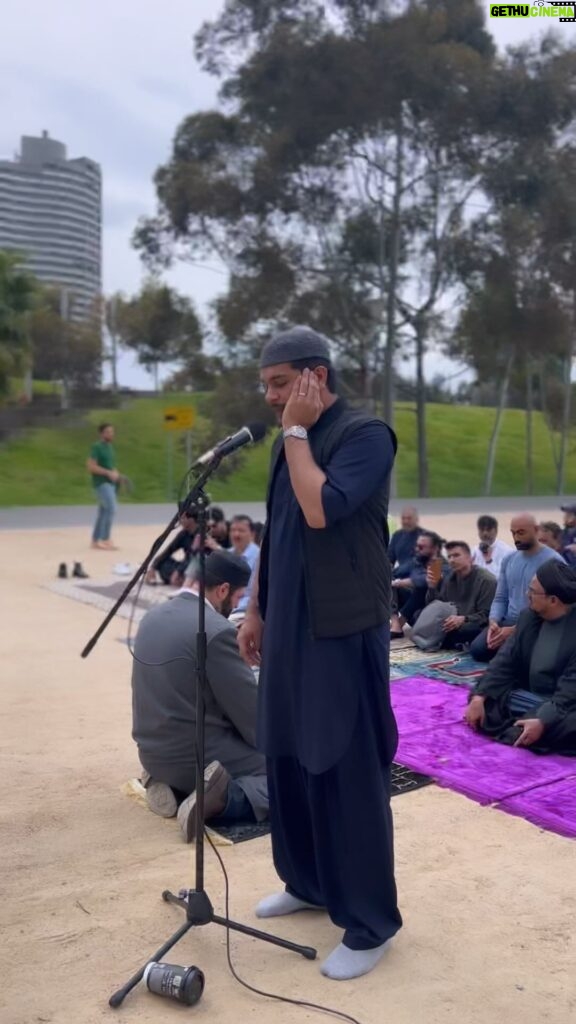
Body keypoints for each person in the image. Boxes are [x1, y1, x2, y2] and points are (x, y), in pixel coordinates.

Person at [238, 325, 402, 982]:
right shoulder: (290, 442)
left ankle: (370, 922)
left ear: (316, 377)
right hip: (288, 628)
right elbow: (277, 532)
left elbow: (319, 510)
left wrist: (299, 434)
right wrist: (255, 608)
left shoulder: (365, 436)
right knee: (287, 757)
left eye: (280, 384)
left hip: (342, 629)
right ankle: (305, 882)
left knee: (345, 767)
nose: (273, 399)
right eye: (268, 386)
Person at [131, 550, 269, 842]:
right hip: (195, 758)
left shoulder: (151, 617)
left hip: (152, 753)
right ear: (222, 590)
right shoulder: (217, 631)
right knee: (294, 774)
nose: (235, 606)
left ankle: (167, 784)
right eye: (237, 597)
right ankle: (220, 799)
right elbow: (256, 724)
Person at [465, 560, 576, 754]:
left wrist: (543, 719)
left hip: (566, 704)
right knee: (487, 701)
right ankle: (528, 726)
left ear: (553, 600)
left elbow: (569, 691)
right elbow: (504, 663)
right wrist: (478, 697)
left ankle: (531, 726)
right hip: (528, 697)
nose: (527, 595)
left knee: (568, 726)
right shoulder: (528, 618)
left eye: (533, 591)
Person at [470, 514, 564, 663]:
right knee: (478, 650)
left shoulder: (553, 561)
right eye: (513, 533)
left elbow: (557, 607)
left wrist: (515, 630)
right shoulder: (509, 559)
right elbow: (501, 597)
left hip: (537, 624)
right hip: (507, 621)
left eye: (521, 532)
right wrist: (494, 622)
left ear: (536, 530)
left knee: (516, 657)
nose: (516, 538)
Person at [424, 541, 496, 648]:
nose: (452, 560)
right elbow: (436, 607)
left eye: (456, 555)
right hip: (451, 622)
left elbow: (486, 615)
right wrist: (432, 587)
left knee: (463, 631)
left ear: (470, 558)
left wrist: (463, 619)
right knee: (419, 616)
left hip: (473, 623)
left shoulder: (486, 580)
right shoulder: (450, 578)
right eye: (449, 557)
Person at [390, 530, 448, 634]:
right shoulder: (418, 560)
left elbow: (425, 580)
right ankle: (395, 624)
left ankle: (400, 623)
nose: (417, 549)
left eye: (421, 547)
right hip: (414, 614)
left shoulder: (443, 565)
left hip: (432, 618)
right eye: (416, 546)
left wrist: (399, 583)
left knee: (421, 587)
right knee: (390, 579)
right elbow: (395, 573)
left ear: (434, 548)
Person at [86, 423, 121, 550]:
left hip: (110, 484)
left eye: (112, 431)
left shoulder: (110, 448)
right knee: (111, 508)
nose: (111, 434)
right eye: (108, 432)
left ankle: (96, 540)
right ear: (101, 434)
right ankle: (105, 539)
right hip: (101, 483)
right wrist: (108, 473)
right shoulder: (97, 447)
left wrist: (116, 474)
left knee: (103, 511)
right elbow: (91, 466)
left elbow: (110, 466)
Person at [145, 508, 200, 586]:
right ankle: (179, 579)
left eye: (182, 518)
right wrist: (153, 567)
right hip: (185, 566)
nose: (180, 521)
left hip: (197, 566)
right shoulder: (183, 534)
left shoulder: (201, 534)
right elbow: (168, 551)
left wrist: (178, 571)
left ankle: (183, 579)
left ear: (190, 519)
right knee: (164, 563)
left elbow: (193, 558)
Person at [228, 515, 260, 615]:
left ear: (252, 534)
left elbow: (253, 594)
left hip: (245, 611)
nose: (236, 535)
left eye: (241, 531)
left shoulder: (258, 557)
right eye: (233, 530)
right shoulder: (227, 555)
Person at [388, 506, 422, 580]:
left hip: (419, 578)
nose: (406, 521)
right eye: (403, 518)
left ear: (416, 520)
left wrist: (394, 573)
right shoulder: (397, 536)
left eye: (409, 518)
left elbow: (417, 562)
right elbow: (389, 558)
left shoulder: (424, 537)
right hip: (400, 577)